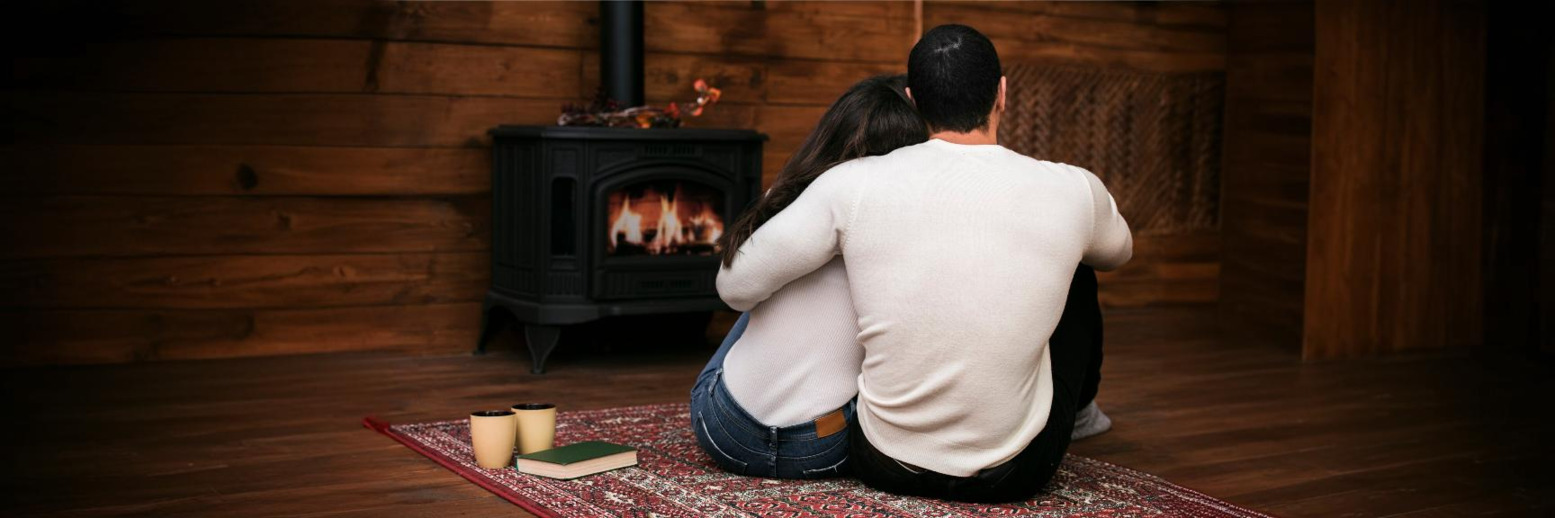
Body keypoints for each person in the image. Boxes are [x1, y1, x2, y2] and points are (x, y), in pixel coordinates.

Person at [715, 24, 1133, 502]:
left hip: (884, 463)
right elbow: (1119, 252)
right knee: (1079, 268)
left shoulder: (853, 182)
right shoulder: (1074, 188)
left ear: (913, 100)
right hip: (1014, 473)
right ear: (1002, 93)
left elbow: (736, 287)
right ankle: (1079, 415)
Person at [689, 75, 929, 479]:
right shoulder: (915, 226)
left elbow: (732, 292)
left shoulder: (789, 198)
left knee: (756, 289)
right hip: (823, 447)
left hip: (725, 431)